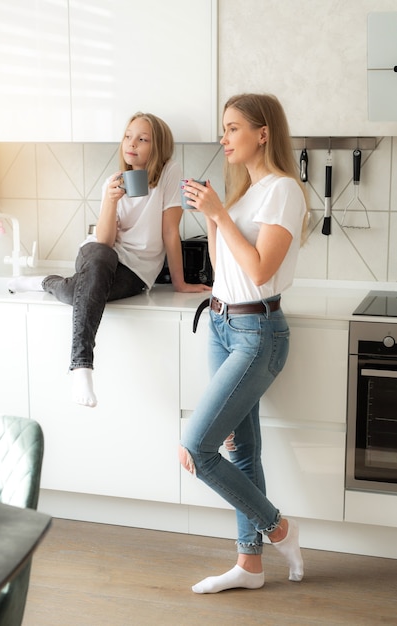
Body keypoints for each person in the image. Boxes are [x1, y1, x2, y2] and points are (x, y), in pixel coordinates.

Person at [179, 93, 308, 594]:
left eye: (233, 128)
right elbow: (223, 269)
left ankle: (278, 528)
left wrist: (221, 215)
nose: (224, 137)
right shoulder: (244, 193)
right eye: (223, 128)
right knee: (240, 450)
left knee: (197, 448)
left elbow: (260, 270)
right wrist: (213, 217)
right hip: (221, 323)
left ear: (263, 133)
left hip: (258, 335)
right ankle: (249, 566)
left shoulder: (283, 191)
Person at [9, 112, 210, 407]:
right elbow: (103, 242)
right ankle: (81, 365)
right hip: (100, 253)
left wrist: (180, 283)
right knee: (101, 259)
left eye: (142, 139)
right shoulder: (112, 183)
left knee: (76, 292)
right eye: (128, 136)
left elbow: (170, 231)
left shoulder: (169, 173)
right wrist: (110, 201)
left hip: (135, 270)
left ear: (158, 147)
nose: (132, 144)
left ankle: (43, 282)